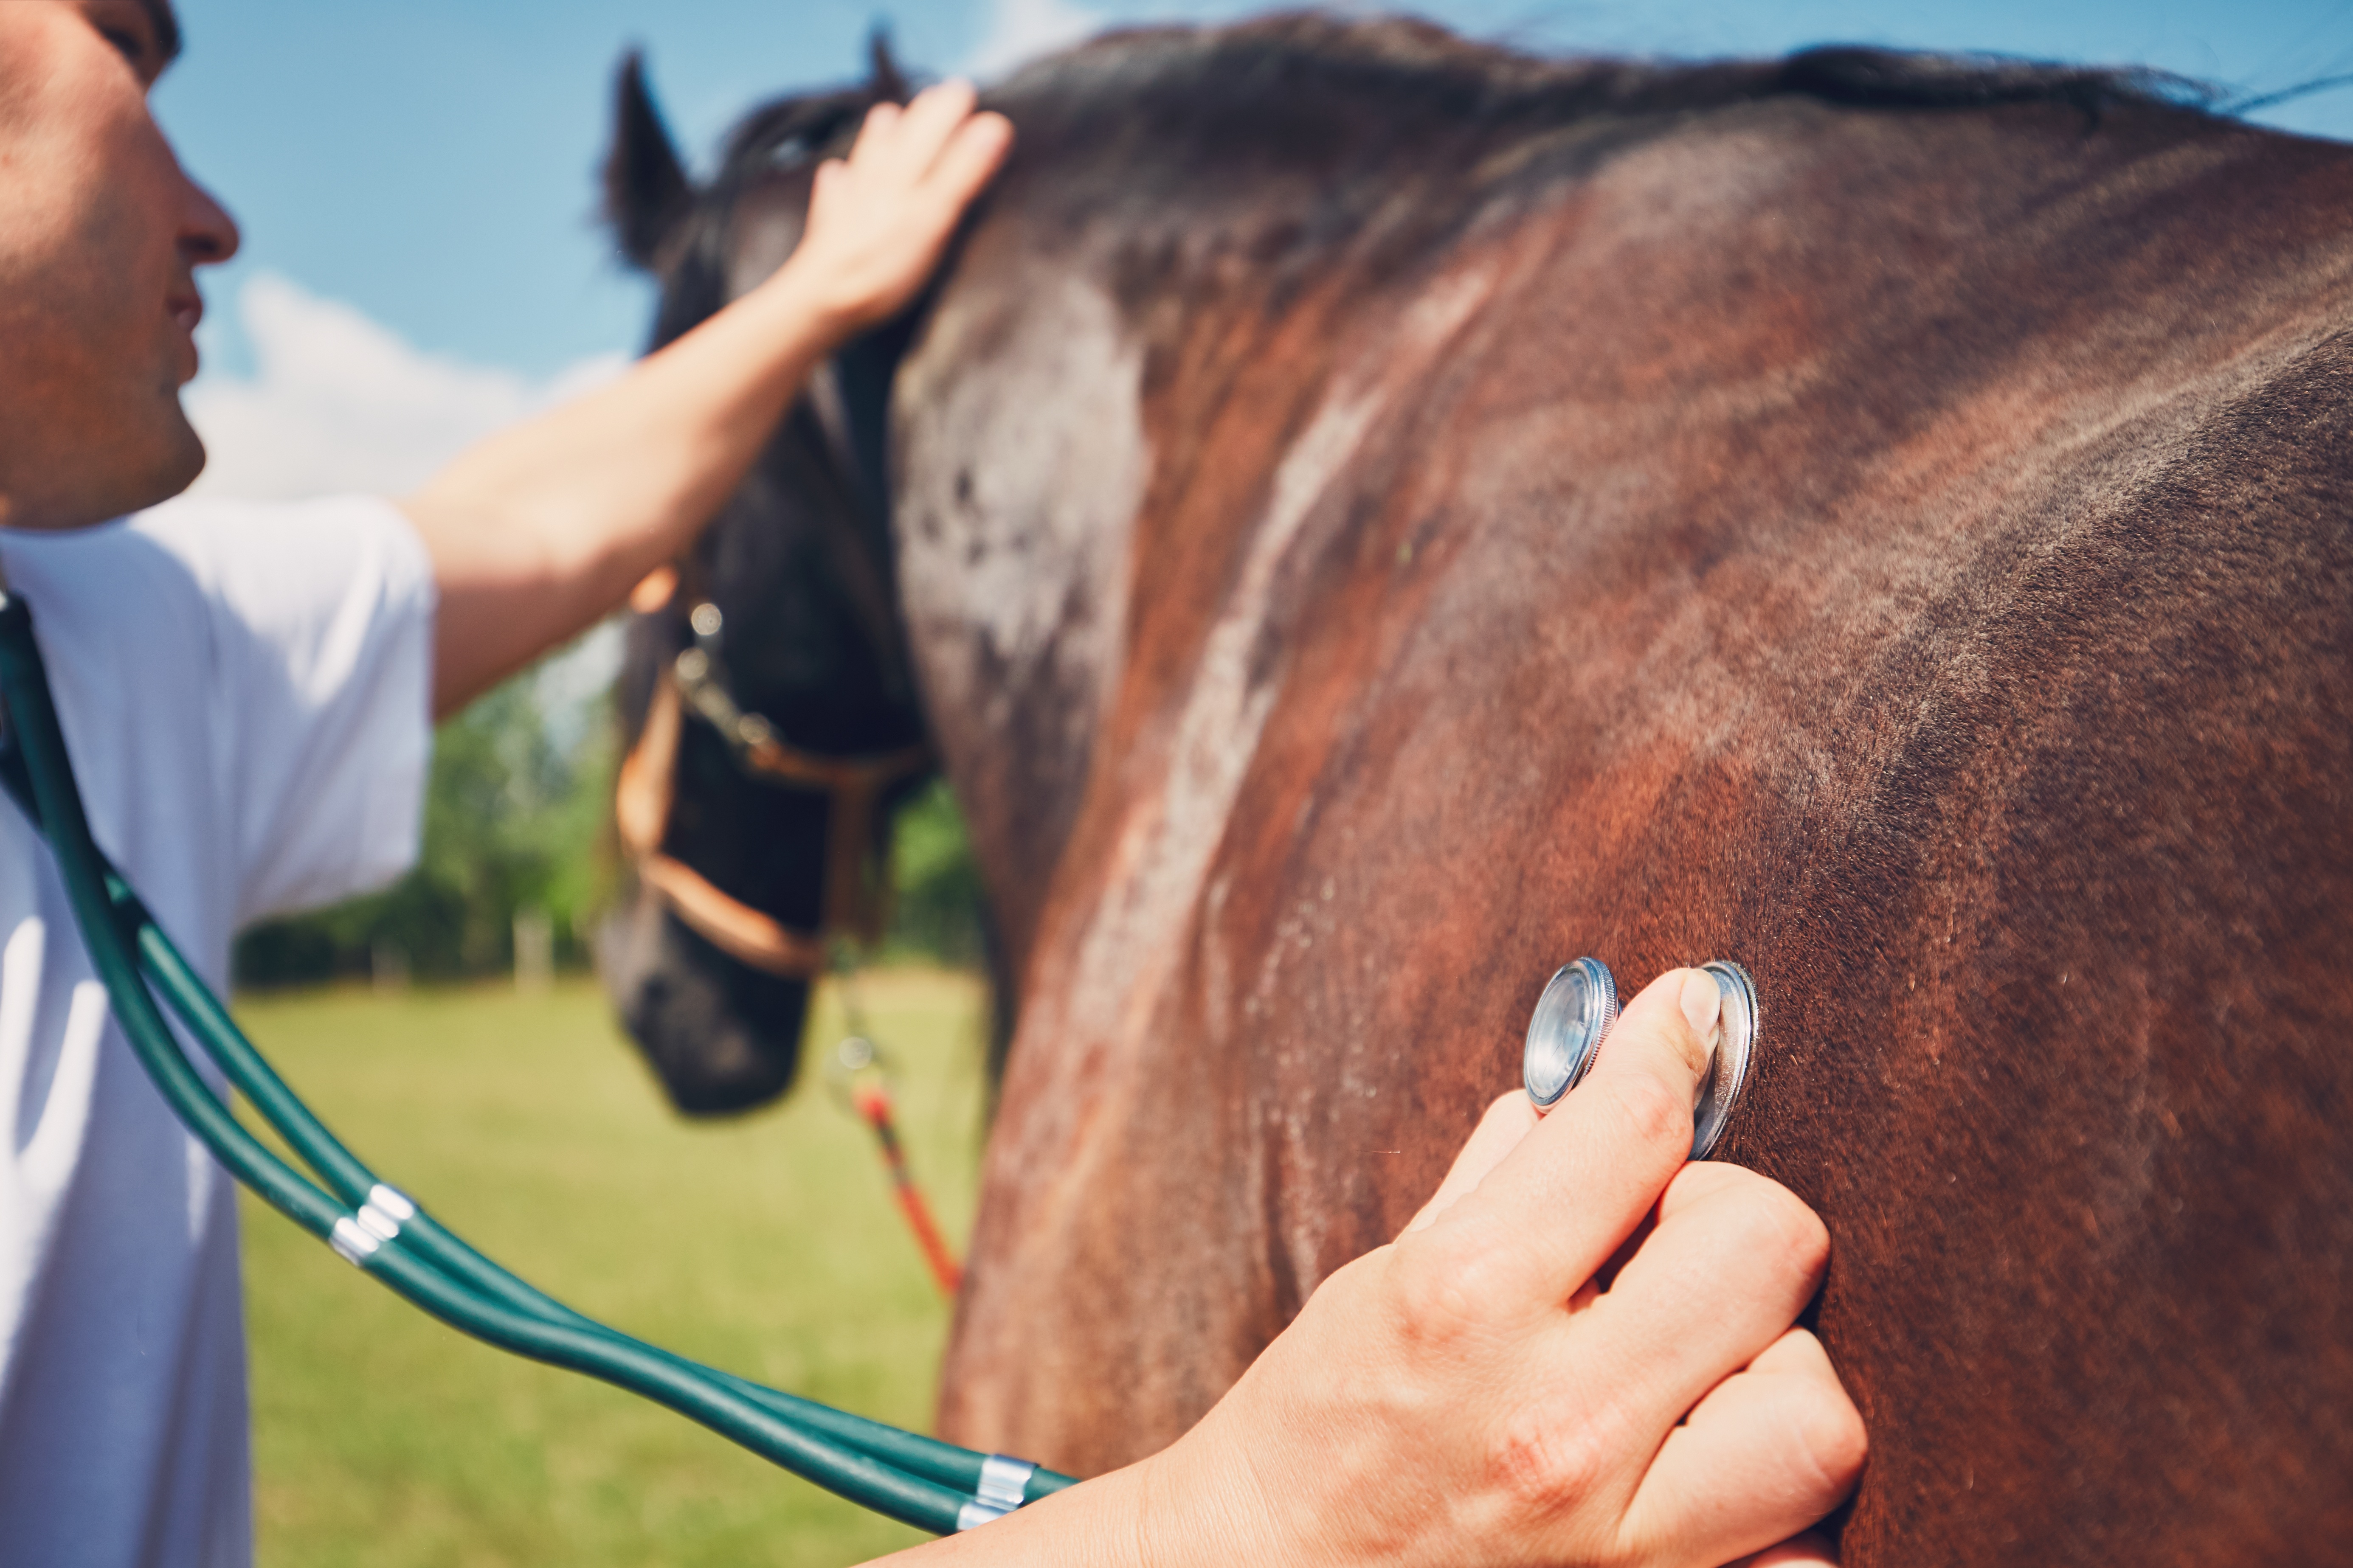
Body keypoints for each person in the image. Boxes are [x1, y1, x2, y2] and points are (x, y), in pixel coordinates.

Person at [0, 4, 1865, 1565]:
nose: (215, 206)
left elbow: (534, 516)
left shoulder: (107, 629)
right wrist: (1250, 1523)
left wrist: (814, 296)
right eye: (124, 46)